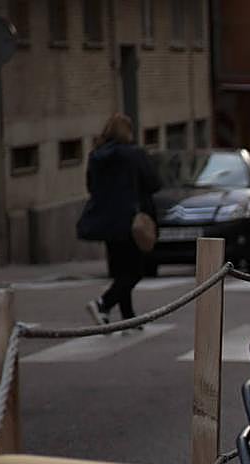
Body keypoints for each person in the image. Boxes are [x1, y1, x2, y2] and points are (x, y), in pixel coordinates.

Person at [77, 113, 160, 325]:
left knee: (121, 270)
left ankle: (127, 316)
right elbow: (153, 182)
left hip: (105, 222)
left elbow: (90, 186)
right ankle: (103, 303)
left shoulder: (96, 156)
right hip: (130, 221)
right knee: (136, 271)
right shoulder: (134, 155)